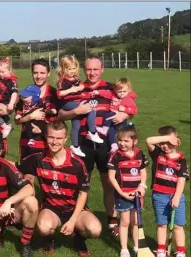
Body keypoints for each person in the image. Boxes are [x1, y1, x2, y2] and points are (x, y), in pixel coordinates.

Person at [57, 56, 130, 237]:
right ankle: (80, 219)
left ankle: (112, 221)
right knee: (82, 184)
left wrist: (125, 115)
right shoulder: (77, 87)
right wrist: (75, 112)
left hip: (105, 142)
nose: (92, 73)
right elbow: (60, 114)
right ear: (84, 70)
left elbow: (128, 104)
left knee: (108, 183)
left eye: (95, 69)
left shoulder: (112, 88)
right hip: (83, 143)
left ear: (102, 69)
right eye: (89, 69)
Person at [20, 121, 101, 257]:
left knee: (95, 230)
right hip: (51, 208)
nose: (54, 142)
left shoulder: (77, 164)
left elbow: (83, 193)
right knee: (44, 227)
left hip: (74, 209)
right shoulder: (37, 159)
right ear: (45, 136)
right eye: (51, 137)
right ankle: (49, 240)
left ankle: (79, 239)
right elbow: (18, 170)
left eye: (58, 138)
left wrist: (73, 220)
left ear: (66, 138)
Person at [145, 126, 187, 257]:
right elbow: (149, 140)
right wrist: (168, 138)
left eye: (169, 143)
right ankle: (161, 250)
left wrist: (176, 197)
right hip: (159, 196)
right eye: (162, 143)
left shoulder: (181, 159)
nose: (165, 146)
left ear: (176, 141)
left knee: (178, 226)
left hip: (176, 196)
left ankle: (180, 252)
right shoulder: (158, 154)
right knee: (161, 225)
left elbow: (181, 180)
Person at [107, 126, 148, 257]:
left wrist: (142, 186)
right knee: (124, 222)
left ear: (134, 141)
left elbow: (143, 171)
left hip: (137, 194)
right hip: (123, 194)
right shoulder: (115, 156)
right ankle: (124, 248)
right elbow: (111, 177)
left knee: (136, 221)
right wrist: (121, 193)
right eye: (120, 140)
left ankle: (137, 246)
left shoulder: (140, 153)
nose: (122, 144)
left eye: (126, 141)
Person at [56, 56, 103, 157]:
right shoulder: (63, 80)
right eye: (69, 69)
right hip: (68, 103)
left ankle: (75, 146)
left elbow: (82, 88)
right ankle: (92, 131)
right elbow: (59, 94)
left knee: (76, 125)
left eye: (74, 68)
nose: (72, 71)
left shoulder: (76, 79)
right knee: (91, 109)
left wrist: (86, 91)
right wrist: (73, 90)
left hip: (76, 102)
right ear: (63, 69)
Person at [15, 59, 58, 160]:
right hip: (27, 144)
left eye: (42, 73)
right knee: (26, 176)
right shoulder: (25, 94)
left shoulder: (54, 94)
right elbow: (17, 120)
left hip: (48, 145)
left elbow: (59, 123)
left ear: (48, 73)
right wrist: (30, 116)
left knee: (46, 175)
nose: (38, 76)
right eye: (35, 73)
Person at [98, 78, 138, 153]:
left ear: (129, 90)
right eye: (120, 92)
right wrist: (98, 92)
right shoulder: (113, 95)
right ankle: (114, 146)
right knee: (111, 132)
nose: (122, 93)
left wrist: (125, 110)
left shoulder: (128, 99)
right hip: (113, 120)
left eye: (124, 91)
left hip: (121, 121)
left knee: (119, 133)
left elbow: (134, 110)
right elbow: (106, 93)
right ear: (115, 90)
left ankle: (104, 129)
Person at [15, 85, 47, 160]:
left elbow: (49, 122)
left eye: (26, 97)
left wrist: (42, 129)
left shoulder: (41, 106)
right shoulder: (21, 105)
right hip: (24, 141)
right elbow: (17, 120)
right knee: (24, 165)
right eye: (22, 96)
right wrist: (30, 116)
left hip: (40, 144)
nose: (23, 98)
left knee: (38, 166)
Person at [0, 58, 19, 138]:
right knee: (1, 115)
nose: (0, 74)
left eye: (3, 72)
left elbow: (14, 92)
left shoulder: (10, 81)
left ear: (9, 70)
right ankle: (8, 124)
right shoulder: (3, 80)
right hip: (1, 102)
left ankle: (5, 126)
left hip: (5, 103)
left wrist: (11, 104)